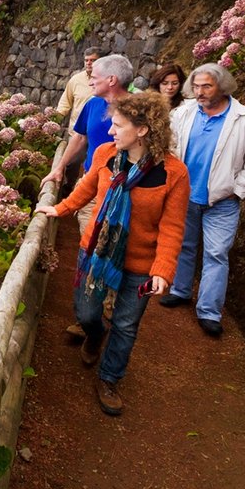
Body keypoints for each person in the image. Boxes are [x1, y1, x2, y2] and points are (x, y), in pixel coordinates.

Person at [36, 91, 188, 416]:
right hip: (96, 251)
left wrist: (162, 270)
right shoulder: (106, 154)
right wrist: (59, 209)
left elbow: (173, 227)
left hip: (143, 265)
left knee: (127, 324)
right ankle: (94, 334)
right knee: (87, 314)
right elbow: (86, 188)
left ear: (142, 130)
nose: (110, 131)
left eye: (118, 125)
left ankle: (109, 378)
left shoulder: (174, 173)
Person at [158, 64, 245, 337]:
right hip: (185, 195)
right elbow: (169, 147)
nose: (199, 92)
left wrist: (237, 190)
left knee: (216, 254)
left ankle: (209, 312)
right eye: (196, 86)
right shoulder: (182, 113)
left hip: (222, 201)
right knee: (184, 245)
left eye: (206, 86)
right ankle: (180, 291)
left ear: (223, 86)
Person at [43, 53, 134, 230]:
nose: (90, 82)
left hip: (126, 188)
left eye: (94, 78)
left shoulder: (138, 110)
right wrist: (59, 167)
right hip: (92, 182)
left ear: (111, 80)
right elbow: (79, 137)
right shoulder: (93, 104)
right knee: (88, 235)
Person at [55, 47, 100, 127]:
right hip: (75, 131)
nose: (88, 63)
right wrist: (54, 121)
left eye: (92, 60)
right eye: (86, 60)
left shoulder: (108, 80)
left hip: (98, 131)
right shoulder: (75, 80)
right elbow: (64, 104)